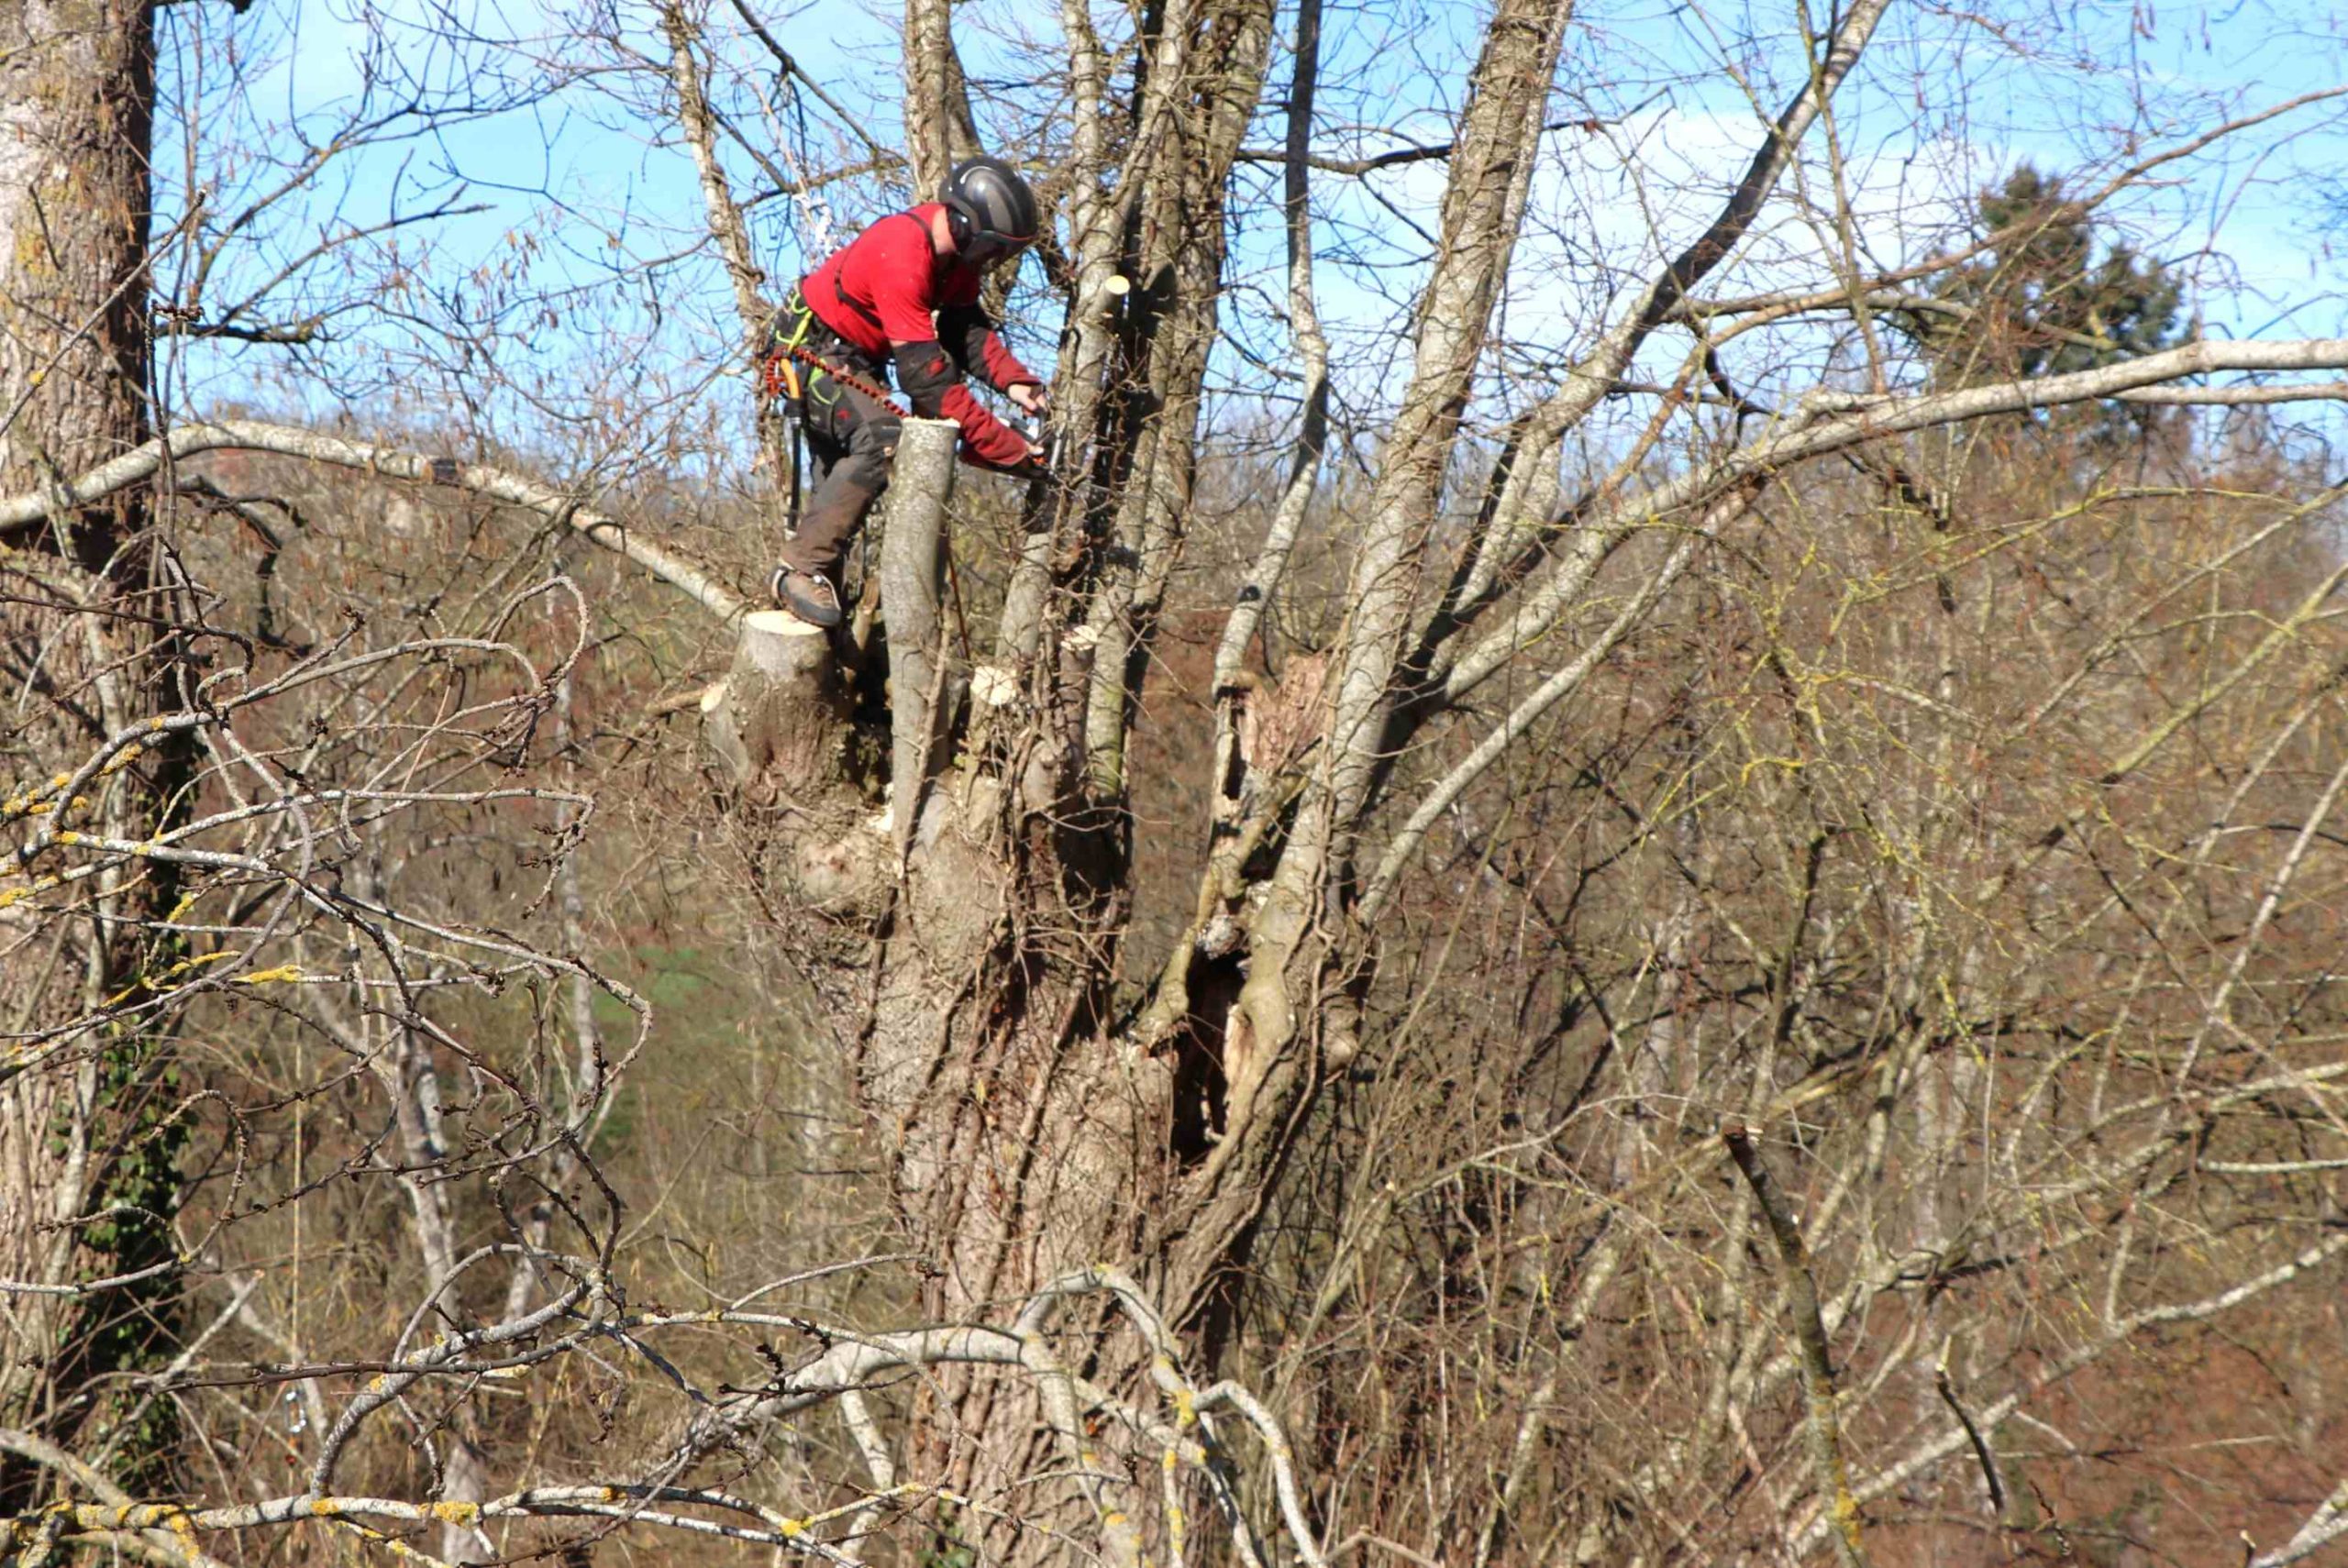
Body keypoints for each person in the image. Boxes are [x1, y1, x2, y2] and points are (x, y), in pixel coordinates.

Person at [765, 156, 1050, 627]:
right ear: (965, 226)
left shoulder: (955, 262)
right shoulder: (902, 253)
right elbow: (928, 382)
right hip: (818, 357)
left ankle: (831, 638)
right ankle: (799, 569)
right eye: (993, 251)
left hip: (858, 362)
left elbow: (966, 330)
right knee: (881, 439)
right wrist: (1007, 450)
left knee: (841, 485)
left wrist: (1015, 381)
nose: (992, 263)